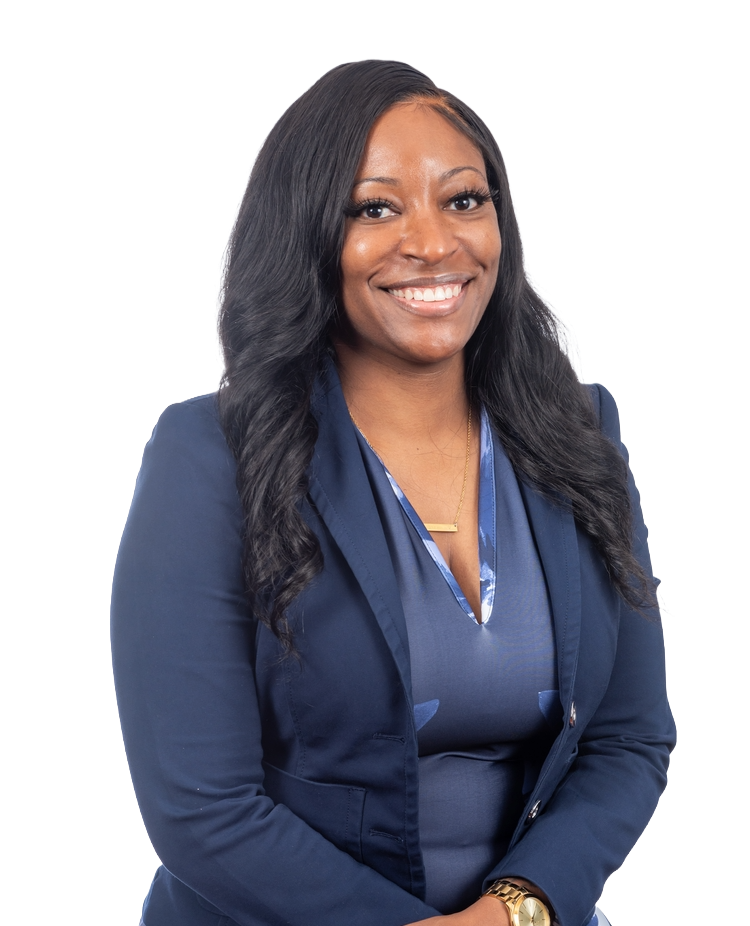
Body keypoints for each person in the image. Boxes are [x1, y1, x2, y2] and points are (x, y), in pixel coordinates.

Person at [111, 59, 675, 926]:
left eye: (463, 200)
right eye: (375, 208)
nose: (433, 243)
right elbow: (201, 810)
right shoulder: (209, 455)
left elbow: (629, 739)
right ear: (309, 235)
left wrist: (515, 909)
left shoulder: (578, 431)